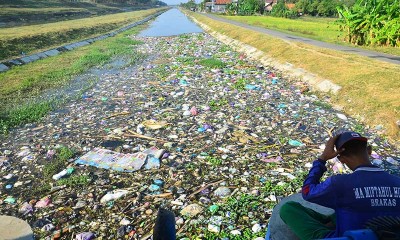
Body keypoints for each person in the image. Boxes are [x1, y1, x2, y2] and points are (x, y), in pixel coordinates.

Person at [279, 131, 400, 239]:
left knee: (288, 209)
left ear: (341, 159)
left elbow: (306, 191)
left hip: (348, 237)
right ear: (369, 151)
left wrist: (322, 159)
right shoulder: (397, 182)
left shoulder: (340, 183)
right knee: (344, 209)